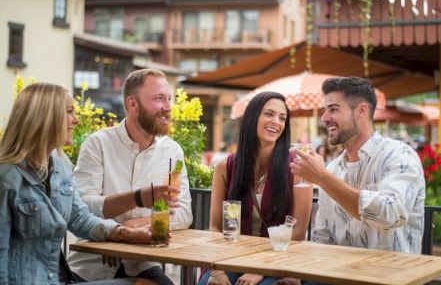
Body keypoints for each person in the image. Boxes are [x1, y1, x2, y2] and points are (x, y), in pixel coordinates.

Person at [0, 83, 178, 285]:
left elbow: (81, 218)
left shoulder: (60, 167)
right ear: (45, 117)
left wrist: (128, 234)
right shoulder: (6, 178)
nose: (75, 120)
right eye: (69, 112)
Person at [68, 69, 193, 284]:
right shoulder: (98, 144)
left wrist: (136, 225)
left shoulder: (172, 151)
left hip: (143, 263)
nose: (168, 107)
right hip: (92, 263)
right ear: (132, 104)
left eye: (169, 99)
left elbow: (183, 213)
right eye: (158, 99)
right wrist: (120, 230)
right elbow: (82, 205)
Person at [290, 77, 425, 256]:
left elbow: (390, 213)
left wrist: (322, 178)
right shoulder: (332, 169)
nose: (324, 118)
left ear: (361, 111)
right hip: (337, 276)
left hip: (390, 276)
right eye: (325, 110)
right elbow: (322, 236)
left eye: (333, 109)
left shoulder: (400, 155)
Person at [199, 92, 313, 285]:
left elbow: (299, 232)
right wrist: (216, 270)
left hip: (277, 262)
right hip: (229, 259)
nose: (276, 122)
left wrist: (260, 269)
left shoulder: (298, 168)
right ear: (252, 118)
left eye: (282, 118)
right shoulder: (224, 167)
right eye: (269, 114)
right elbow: (216, 227)